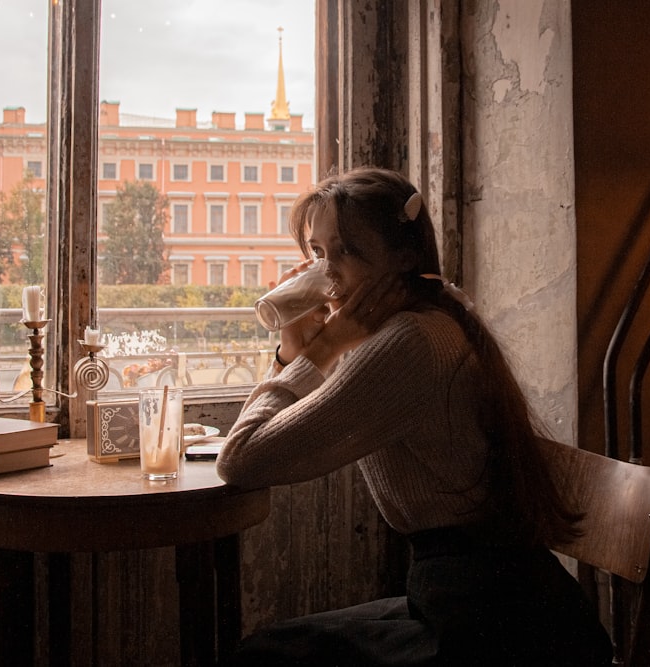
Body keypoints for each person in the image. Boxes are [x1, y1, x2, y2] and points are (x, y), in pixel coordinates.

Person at [216, 166, 613, 666]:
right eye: (318, 253)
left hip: (502, 628)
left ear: (403, 256)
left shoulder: (407, 344)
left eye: (346, 252)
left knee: (261, 656)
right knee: (272, 646)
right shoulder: (418, 321)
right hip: (471, 599)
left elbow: (241, 459)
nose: (326, 273)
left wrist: (316, 352)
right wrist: (297, 351)